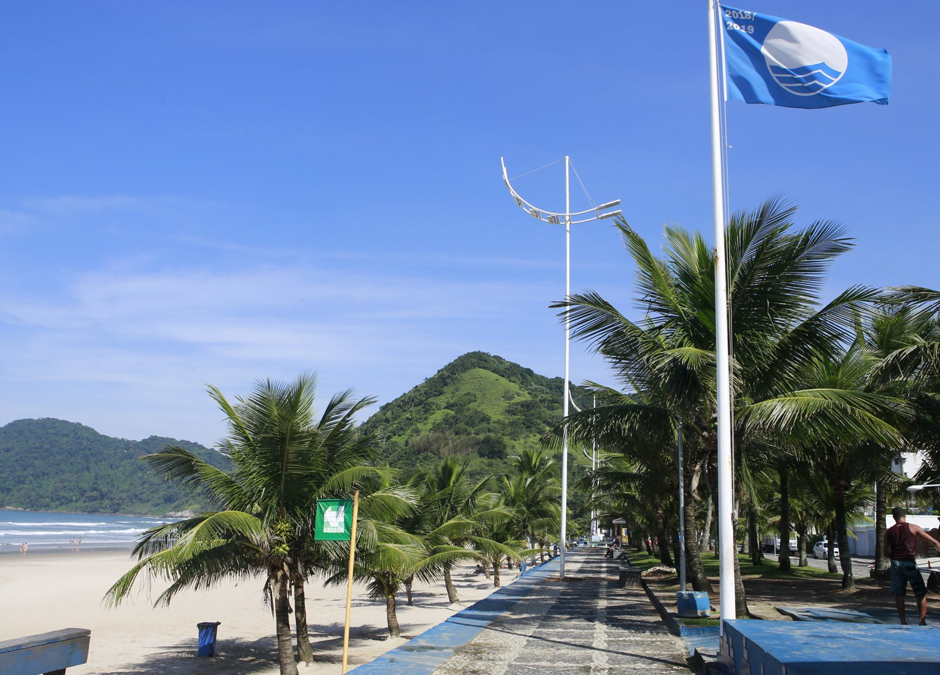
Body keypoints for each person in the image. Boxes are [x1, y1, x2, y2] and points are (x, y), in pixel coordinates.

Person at [885, 506, 940, 625]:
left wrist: (895, 557)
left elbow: (885, 552)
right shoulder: (913, 528)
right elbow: (934, 542)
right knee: (920, 592)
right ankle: (921, 621)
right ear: (904, 516)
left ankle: (903, 621)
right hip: (909, 562)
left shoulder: (889, 531)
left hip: (896, 563)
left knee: (899, 594)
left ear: (894, 517)